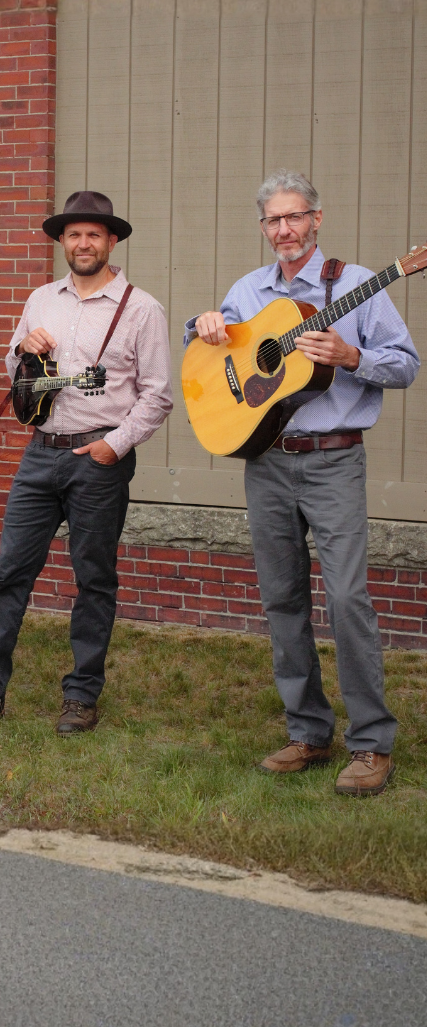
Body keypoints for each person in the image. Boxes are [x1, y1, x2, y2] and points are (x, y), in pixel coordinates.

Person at [188, 169, 419, 796]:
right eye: (272, 220)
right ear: (263, 227)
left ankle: (371, 744)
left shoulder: (362, 284)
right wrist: (204, 323)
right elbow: (213, 352)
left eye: (294, 217)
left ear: (316, 219)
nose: (283, 230)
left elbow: (405, 365)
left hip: (334, 459)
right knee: (282, 599)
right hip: (266, 460)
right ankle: (308, 732)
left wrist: (352, 358)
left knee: (347, 599)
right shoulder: (248, 288)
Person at [0, 191, 173, 732]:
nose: (83, 243)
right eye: (73, 234)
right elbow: (15, 373)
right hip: (40, 453)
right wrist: (23, 348)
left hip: (100, 455)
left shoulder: (141, 307)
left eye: (93, 234)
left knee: (93, 579)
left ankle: (81, 695)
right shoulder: (41, 298)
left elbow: (158, 394)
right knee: (8, 574)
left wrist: (114, 445)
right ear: (61, 242)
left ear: (111, 241)